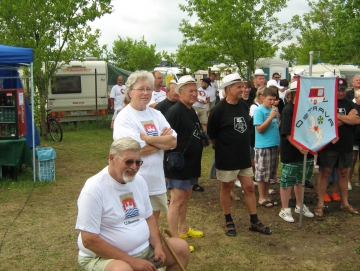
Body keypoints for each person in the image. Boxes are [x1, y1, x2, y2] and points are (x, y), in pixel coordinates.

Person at [75, 137, 190, 271]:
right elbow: (89, 240)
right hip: (104, 257)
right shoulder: (93, 189)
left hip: (144, 250)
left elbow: (149, 217)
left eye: (138, 162)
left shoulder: (139, 181)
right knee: (122, 269)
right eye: (128, 162)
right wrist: (132, 261)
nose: (134, 167)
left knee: (181, 248)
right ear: (112, 159)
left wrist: (158, 246)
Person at [208, 73, 271, 237]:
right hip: (227, 157)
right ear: (229, 89)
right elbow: (212, 136)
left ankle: (254, 220)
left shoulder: (243, 105)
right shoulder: (218, 110)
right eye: (239, 87)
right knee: (227, 188)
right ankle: (228, 220)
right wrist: (225, 148)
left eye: (243, 86)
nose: (243, 89)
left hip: (243, 157)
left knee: (249, 188)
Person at [113, 70, 177, 222]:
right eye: (141, 89)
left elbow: (173, 142)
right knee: (135, 222)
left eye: (148, 89)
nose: (145, 93)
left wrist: (147, 138)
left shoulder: (156, 114)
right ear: (130, 92)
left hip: (156, 180)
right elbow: (134, 151)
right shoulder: (124, 117)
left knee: (153, 222)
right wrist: (162, 141)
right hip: (133, 181)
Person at [164, 75, 205, 251]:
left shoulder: (190, 110)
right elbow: (164, 136)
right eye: (190, 91)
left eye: (196, 91)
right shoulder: (175, 112)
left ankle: (182, 229)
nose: (194, 94)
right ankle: (174, 241)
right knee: (177, 200)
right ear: (180, 93)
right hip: (178, 162)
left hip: (191, 162)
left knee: (186, 196)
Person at [314, 78, 360, 217]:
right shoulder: (325, 104)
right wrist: (346, 118)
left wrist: (336, 117)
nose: (340, 92)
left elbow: (357, 120)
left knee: (344, 173)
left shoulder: (350, 104)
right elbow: (323, 123)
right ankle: (320, 204)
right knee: (325, 172)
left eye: (343, 90)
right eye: (338, 89)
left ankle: (345, 203)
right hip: (329, 144)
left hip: (346, 144)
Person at [278, 86, 315, 222]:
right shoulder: (288, 109)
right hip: (292, 150)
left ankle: (300, 205)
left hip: (306, 149)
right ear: (292, 95)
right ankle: (284, 209)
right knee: (288, 179)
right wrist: (299, 147)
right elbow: (286, 132)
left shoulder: (306, 108)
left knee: (301, 179)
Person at [253, 87, 280, 208]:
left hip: (274, 144)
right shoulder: (260, 110)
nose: (272, 102)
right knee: (262, 173)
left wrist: (276, 115)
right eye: (270, 99)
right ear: (263, 98)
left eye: (274, 100)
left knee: (269, 174)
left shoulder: (274, 109)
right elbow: (259, 129)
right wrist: (270, 117)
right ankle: (261, 198)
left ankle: (266, 196)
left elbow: (276, 125)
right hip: (263, 146)